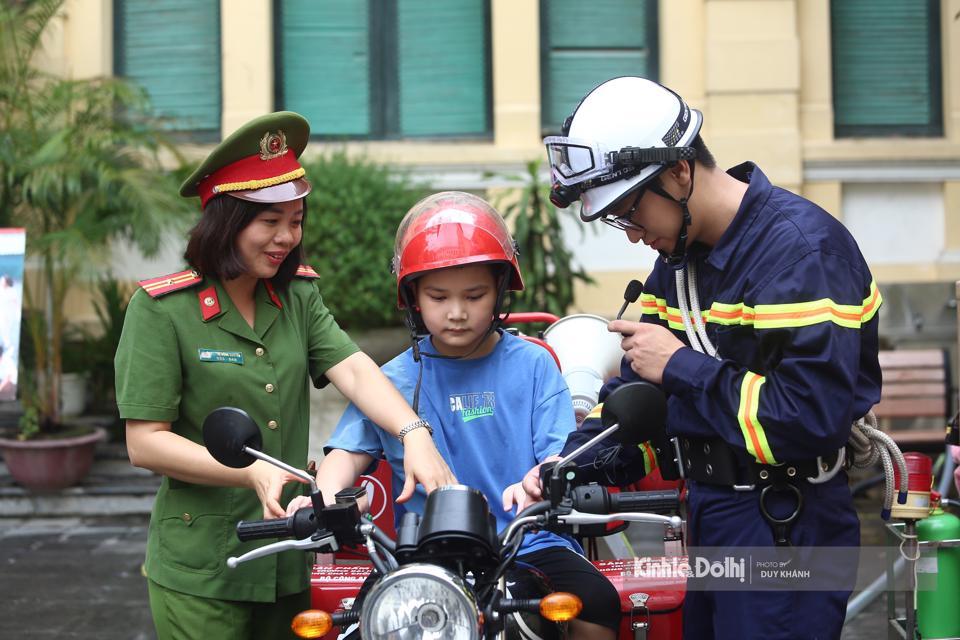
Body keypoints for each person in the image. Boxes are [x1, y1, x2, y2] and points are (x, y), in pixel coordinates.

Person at [522, 77, 883, 639]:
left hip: (786, 521)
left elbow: (808, 422)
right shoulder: (682, 262)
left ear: (679, 173)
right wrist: (561, 471)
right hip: (717, 512)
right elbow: (643, 399)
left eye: (631, 210)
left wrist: (679, 364)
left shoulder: (802, 255)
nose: (633, 234)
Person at [114, 112, 455, 640]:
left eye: (295, 221)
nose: (285, 237)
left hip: (288, 558)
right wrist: (247, 472)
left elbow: (354, 369)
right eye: (268, 222)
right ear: (226, 220)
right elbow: (145, 444)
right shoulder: (162, 309)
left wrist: (414, 434)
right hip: (204, 568)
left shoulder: (295, 295)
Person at [289, 191, 621, 639]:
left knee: (597, 604)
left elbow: (558, 453)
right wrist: (324, 498)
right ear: (413, 297)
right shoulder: (392, 379)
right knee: (366, 622)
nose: (458, 312)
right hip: (422, 551)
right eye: (439, 296)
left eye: (475, 295)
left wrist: (542, 481)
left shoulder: (535, 364)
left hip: (528, 541)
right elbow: (347, 454)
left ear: (501, 289)